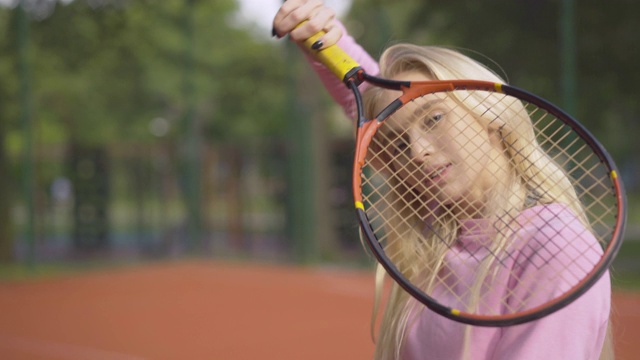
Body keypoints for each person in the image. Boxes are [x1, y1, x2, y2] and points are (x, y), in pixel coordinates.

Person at [273, 1, 614, 359]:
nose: (416, 151)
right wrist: (323, 38)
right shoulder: (440, 219)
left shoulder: (556, 246)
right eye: (398, 143)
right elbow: (375, 104)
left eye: (434, 119)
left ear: (488, 111)